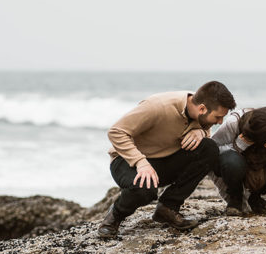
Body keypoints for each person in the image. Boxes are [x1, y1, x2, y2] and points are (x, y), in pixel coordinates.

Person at [97, 81, 236, 238]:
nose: (220, 122)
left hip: (163, 160)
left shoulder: (200, 109)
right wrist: (141, 163)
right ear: (202, 109)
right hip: (127, 161)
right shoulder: (157, 106)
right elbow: (116, 132)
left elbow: (205, 132)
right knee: (144, 190)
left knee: (208, 148)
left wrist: (201, 133)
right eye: (218, 117)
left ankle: (167, 208)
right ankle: (114, 216)